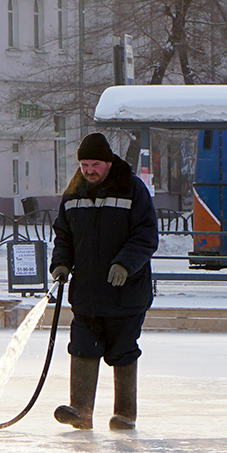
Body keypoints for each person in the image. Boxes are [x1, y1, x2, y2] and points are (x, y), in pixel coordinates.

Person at [50, 132, 158, 431]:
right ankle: (80, 411)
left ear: (108, 163)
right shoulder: (73, 193)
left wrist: (126, 264)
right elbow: (64, 234)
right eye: (85, 164)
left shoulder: (132, 189)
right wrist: (60, 263)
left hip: (126, 294)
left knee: (122, 350)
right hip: (85, 292)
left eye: (95, 164)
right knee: (83, 347)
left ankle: (124, 414)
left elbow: (146, 235)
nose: (89, 170)